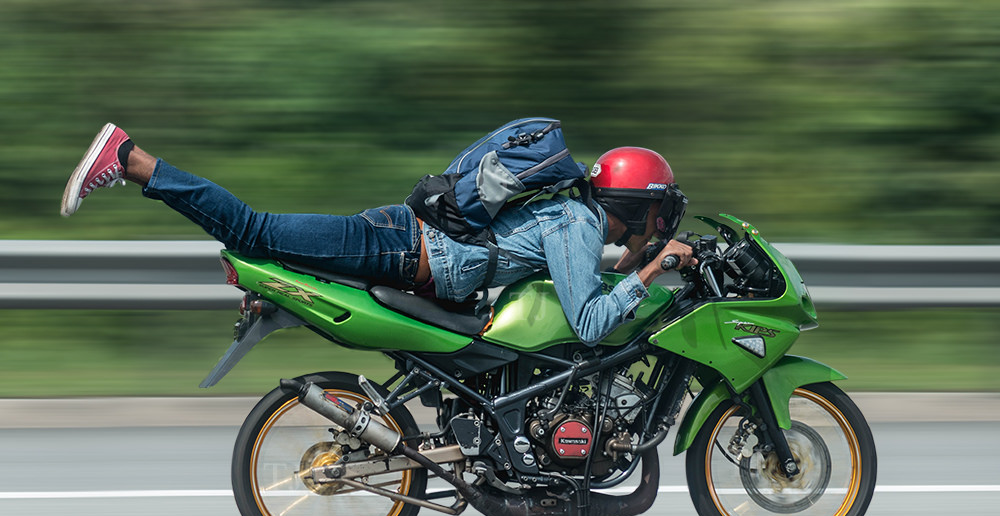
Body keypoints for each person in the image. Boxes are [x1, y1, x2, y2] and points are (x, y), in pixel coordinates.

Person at [61, 123, 696, 345]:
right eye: (658, 214)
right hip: (405, 248)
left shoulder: (572, 218)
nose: (660, 228)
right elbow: (589, 323)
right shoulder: (577, 223)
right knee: (253, 229)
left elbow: (574, 267)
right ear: (635, 207)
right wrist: (652, 269)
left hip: (410, 243)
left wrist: (632, 264)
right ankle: (133, 159)